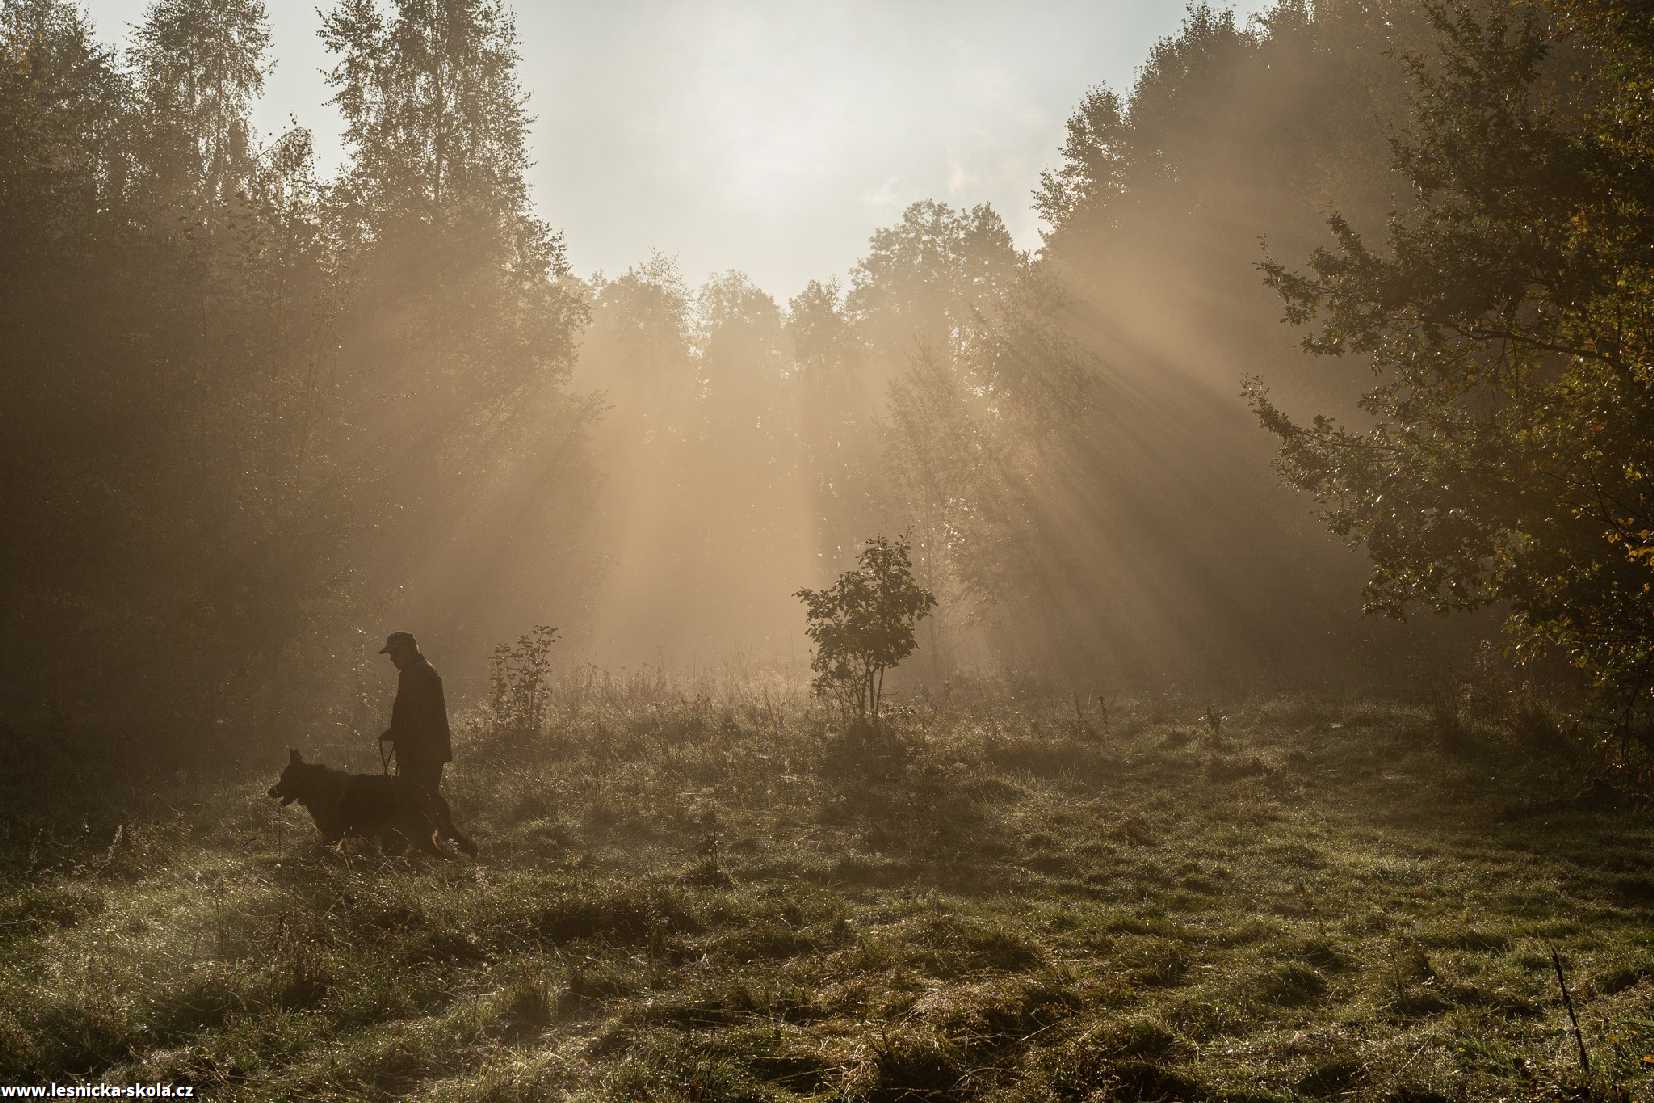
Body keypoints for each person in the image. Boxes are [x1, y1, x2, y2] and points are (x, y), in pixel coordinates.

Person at [377, 631, 476, 855]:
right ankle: (421, 847)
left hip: (423, 752)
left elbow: (419, 716)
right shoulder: (416, 671)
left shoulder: (418, 673)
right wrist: (396, 732)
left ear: (409, 650)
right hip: (422, 749)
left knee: (422, 798)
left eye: (395, 653)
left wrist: (399, 733)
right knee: (418, 798)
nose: (392, 658)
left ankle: (455, 845)